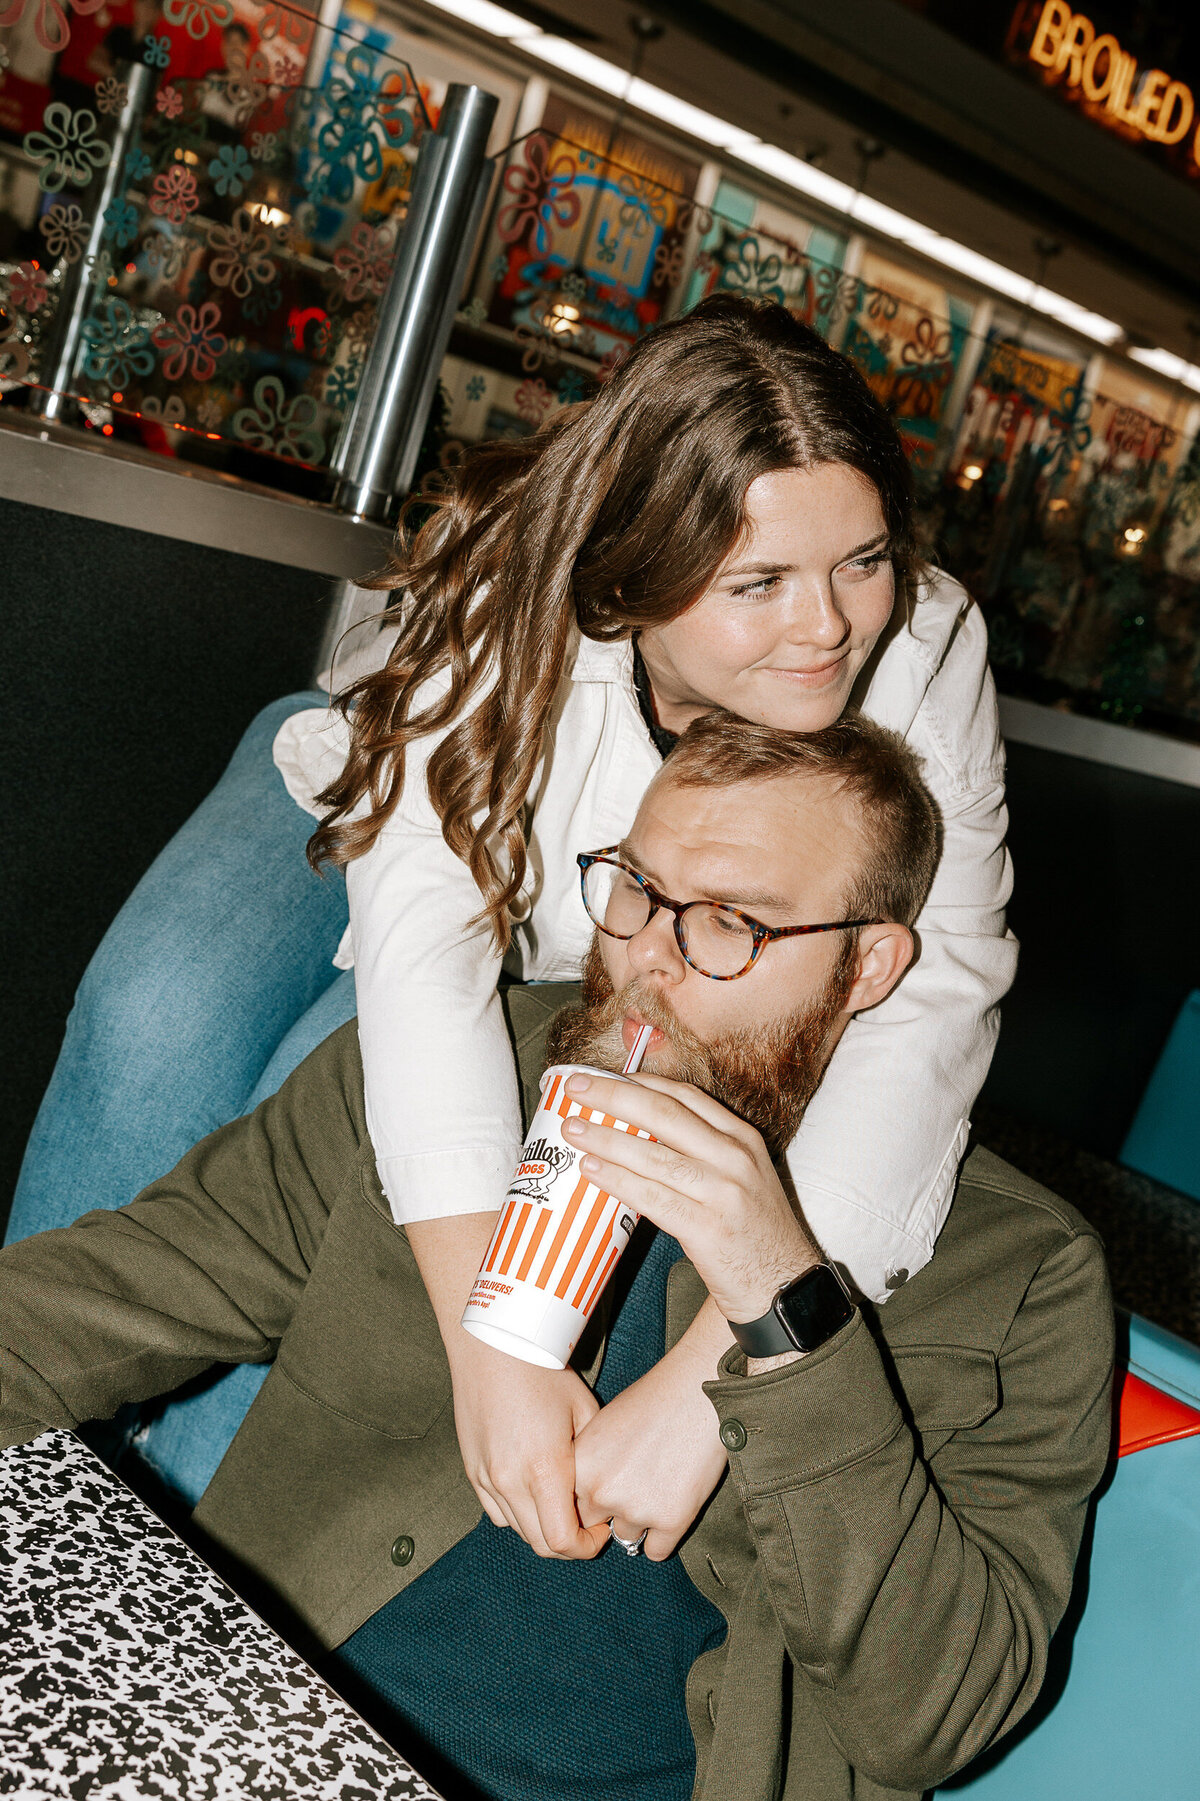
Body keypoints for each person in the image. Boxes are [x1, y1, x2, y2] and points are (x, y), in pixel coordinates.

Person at [8, 295, 1017, 1546]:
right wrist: (489, 1348)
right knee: (156, 1012)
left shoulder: (926, 647)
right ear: (635, 572)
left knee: (323, 1121)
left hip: (595, 948)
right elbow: (427, 946)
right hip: (385, 809)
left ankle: (191, 1543)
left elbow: (925, 1021)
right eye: (759, 581)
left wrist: (728, 1379)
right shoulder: (520, 582)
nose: (827, 627)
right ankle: (28, 1431)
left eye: (860, 560)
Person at [0, 714, 1110, 1801]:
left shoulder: (1017, 1271)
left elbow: (937, 1715)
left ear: (870, 964)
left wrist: (782, 1302)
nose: (646, 962)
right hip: (250, 1725)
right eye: (636, 888)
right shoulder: (468, 1078)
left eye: (729, 922)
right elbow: (101, 1296)